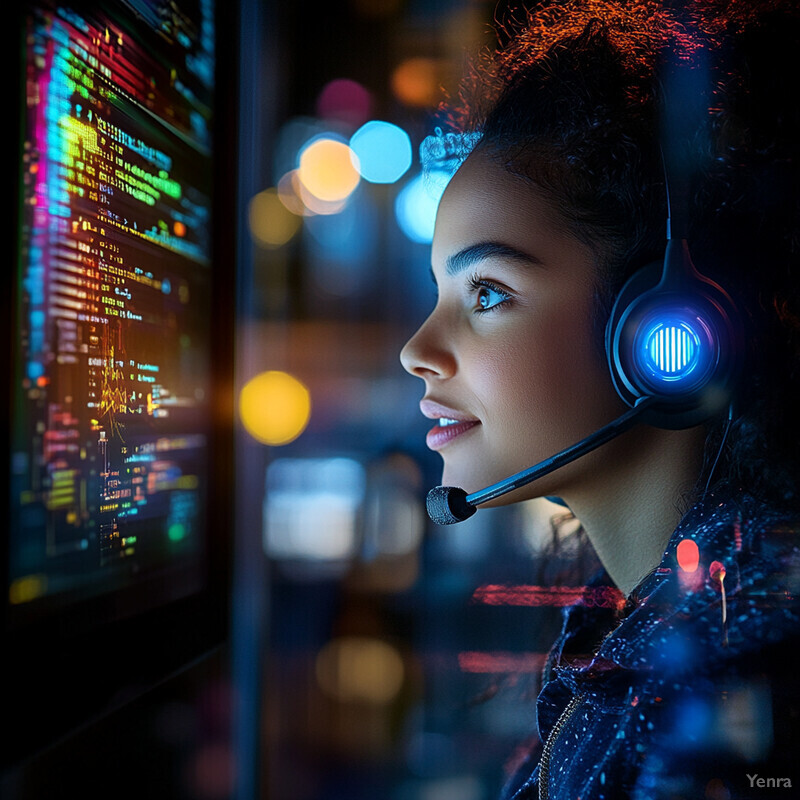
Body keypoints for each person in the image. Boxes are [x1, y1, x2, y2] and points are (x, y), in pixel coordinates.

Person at [399, 2, 800, 798]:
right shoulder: (643, 627)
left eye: (486, 292)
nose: (416, 352)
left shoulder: (723, 671)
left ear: (667, 332)